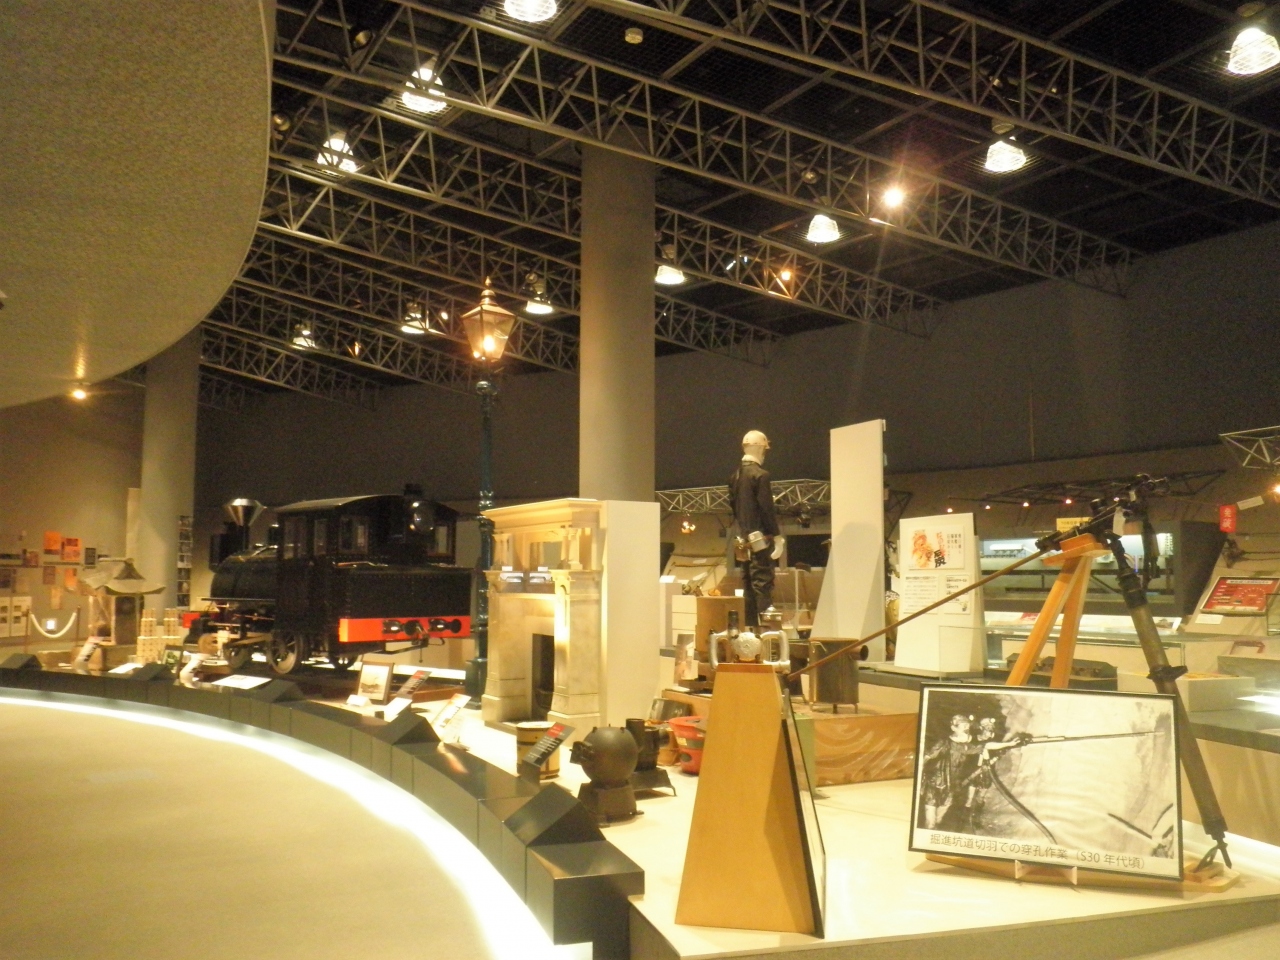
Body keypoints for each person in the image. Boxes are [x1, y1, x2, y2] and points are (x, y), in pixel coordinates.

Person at [729, 430, 783, 626]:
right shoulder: (761, 475)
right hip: (760, 539)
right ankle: (767, 632)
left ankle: (750, 629)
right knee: (763, 583)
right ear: (761, 448)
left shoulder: (734, 476)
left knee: (748, 586)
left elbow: (733, 506)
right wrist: (776, 536)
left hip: (743, 539)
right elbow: (766, 509)